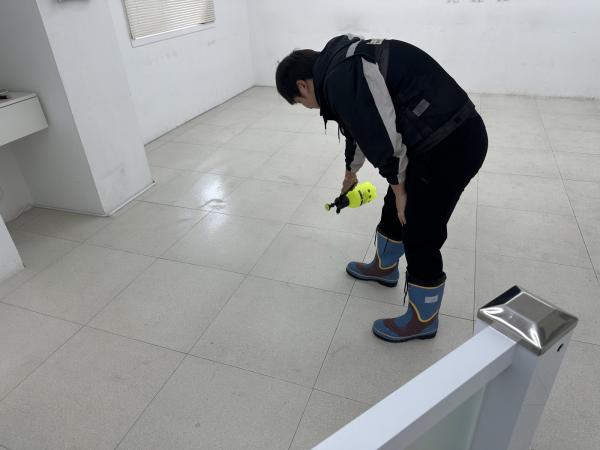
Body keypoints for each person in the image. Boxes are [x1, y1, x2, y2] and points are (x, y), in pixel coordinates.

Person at [275, 34, 488, 343]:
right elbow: (358, 125)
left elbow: (382, 136)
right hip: (435, 136)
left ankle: (422, 319)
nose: (306, 107)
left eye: (299, 102)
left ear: (302, 86)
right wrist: (351, 172)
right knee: (395, 203)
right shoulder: (340, 63)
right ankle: (385, 267)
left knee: (419, 227)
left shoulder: (339, 78)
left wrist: (401, 190)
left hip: (452, 144)